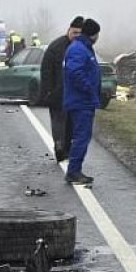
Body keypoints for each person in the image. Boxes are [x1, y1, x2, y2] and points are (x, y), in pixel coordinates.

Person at [63, 18, 102, 185]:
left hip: (84, 100)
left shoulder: (84, 48)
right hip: (80, 101)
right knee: (81, 137)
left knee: (82, 136)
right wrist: (89, 88)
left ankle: (75, 170)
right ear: (92, 34)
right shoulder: (79, 49)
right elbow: (75, 72)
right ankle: (73, 172)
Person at [39, 16, 84, 162]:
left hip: (75, 94)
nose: (76, 36)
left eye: (79, 33)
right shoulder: (56, 47)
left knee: (71, 123)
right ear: (68, 30)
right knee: (58, 121)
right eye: (74, 33)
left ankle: (66, 149)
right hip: (57, 92)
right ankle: (59, 146)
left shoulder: (83, 48)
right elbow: (46, 70)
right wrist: (46, 91)